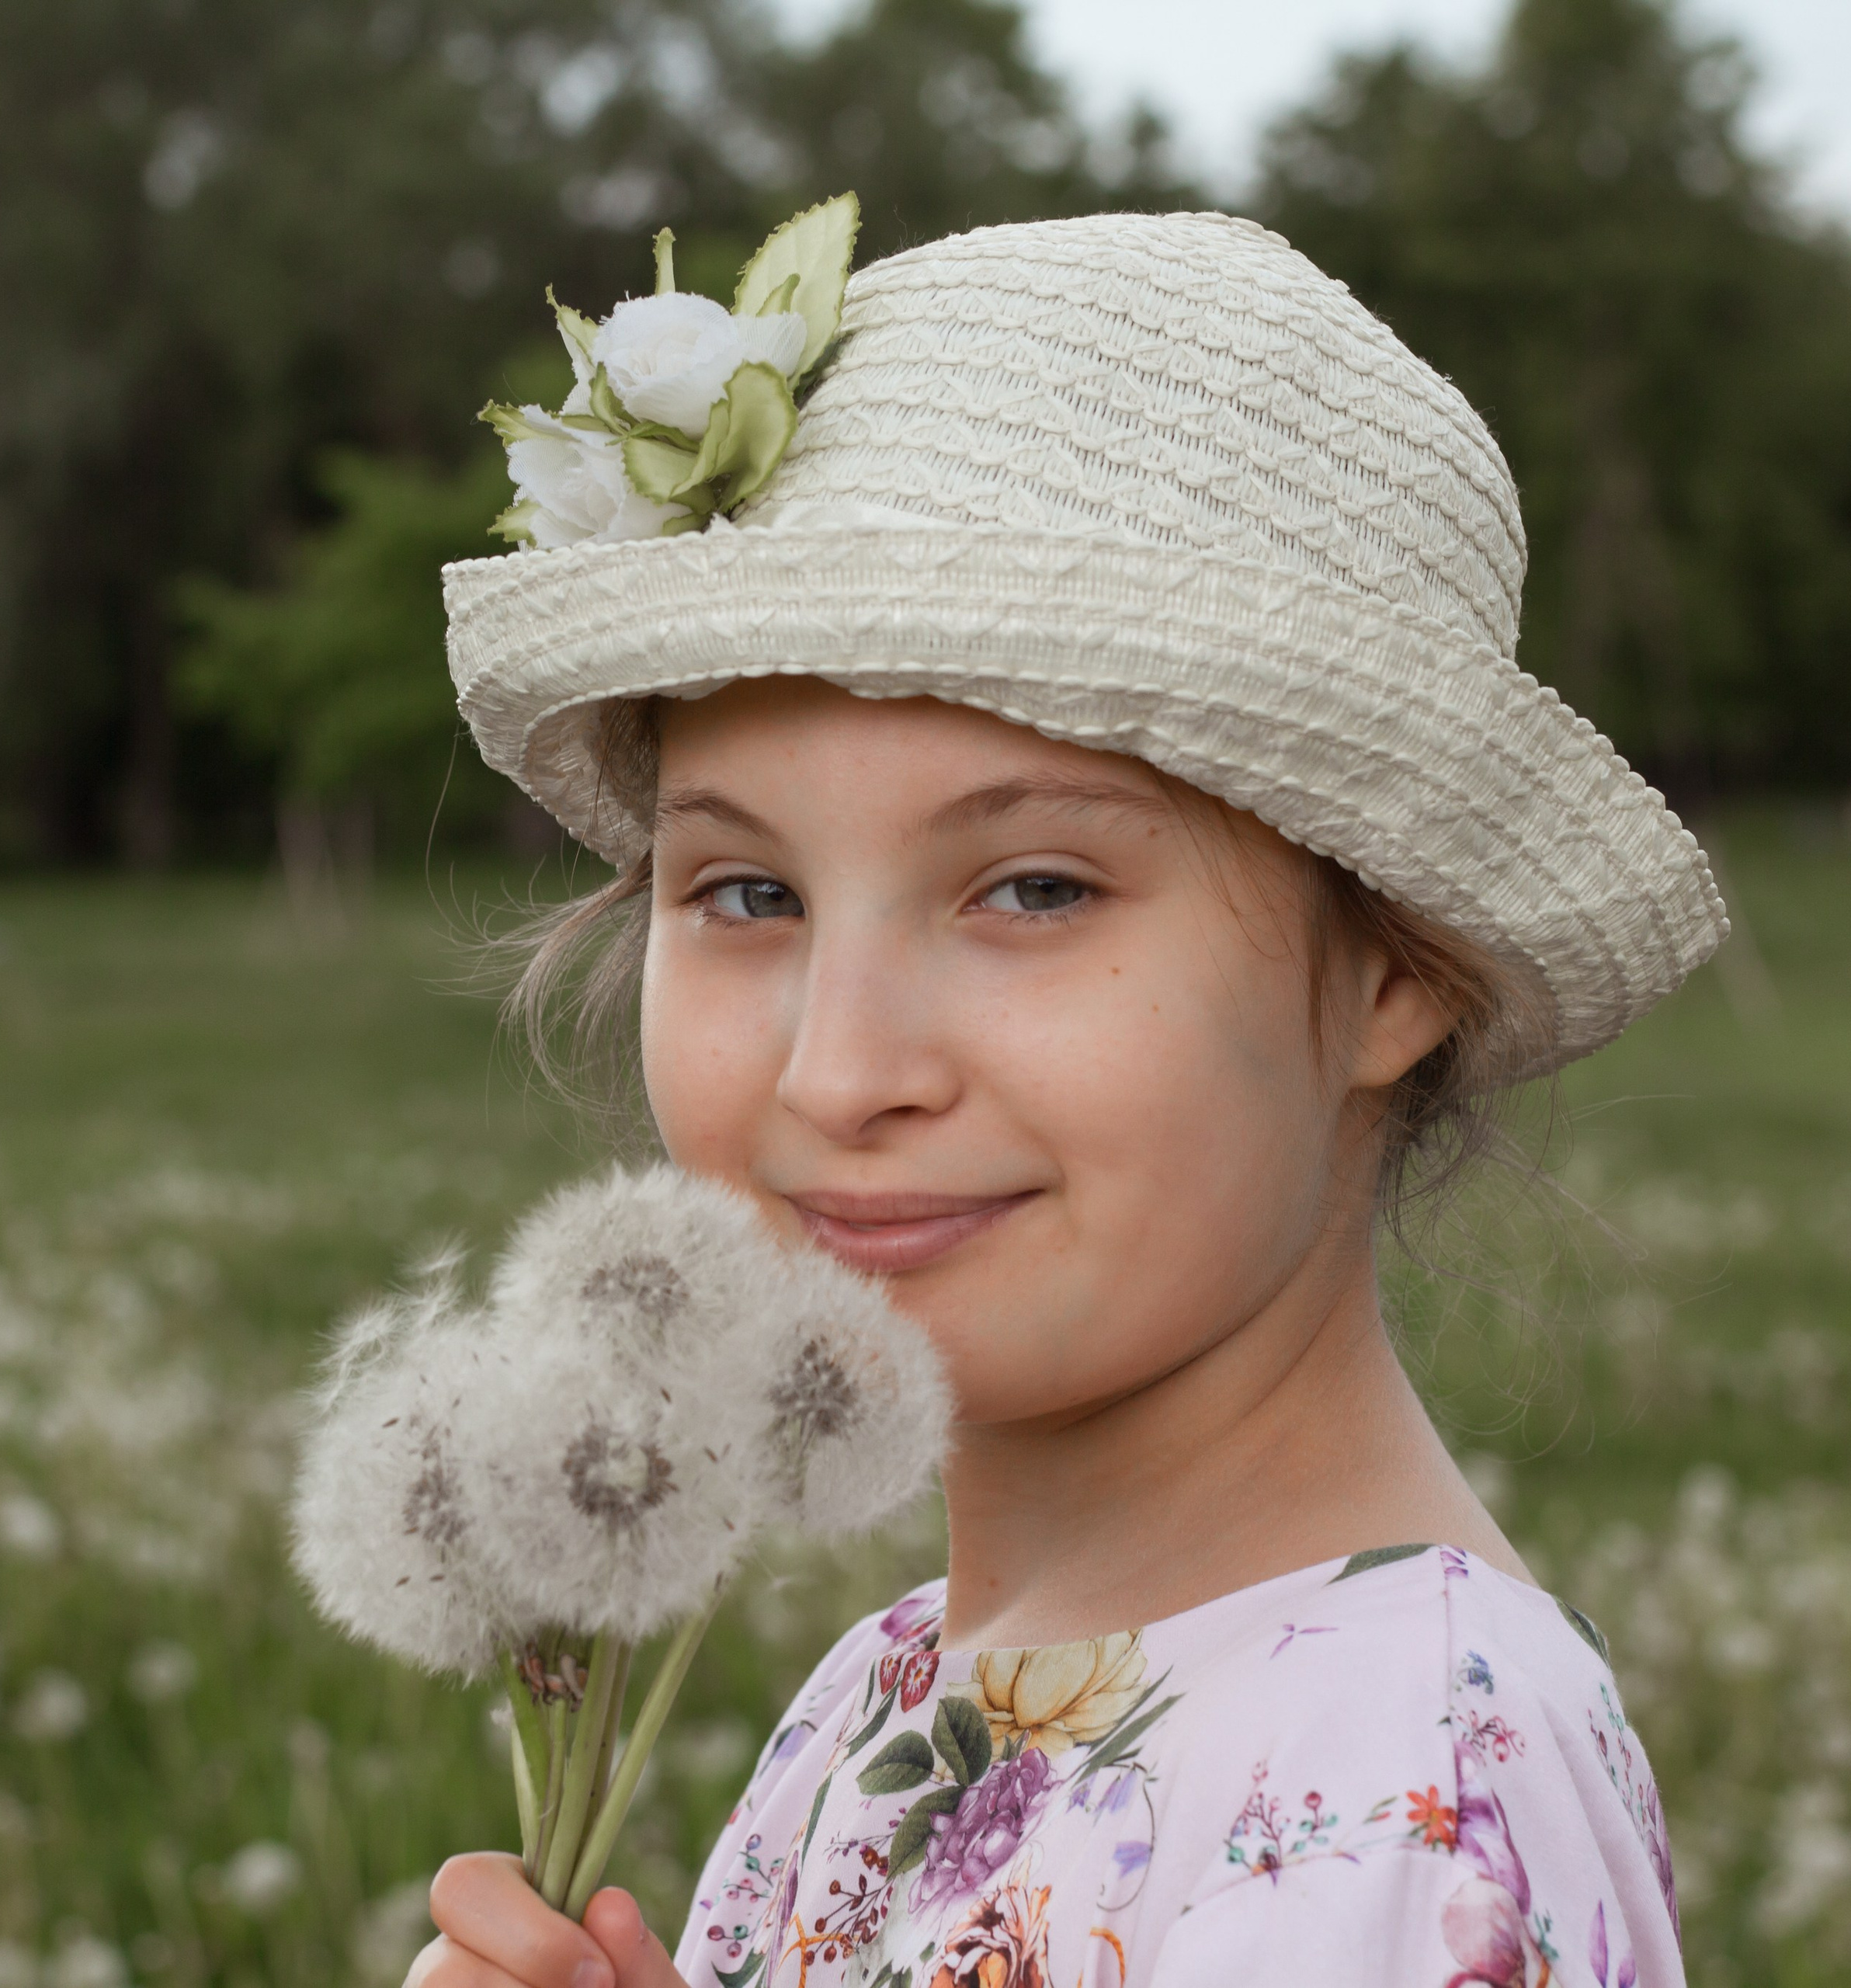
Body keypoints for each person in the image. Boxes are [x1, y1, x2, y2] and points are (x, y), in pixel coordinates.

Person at [414, 211, 1722, 1988]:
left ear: (1398, 965)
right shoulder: (895, 1685)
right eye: (744, 892)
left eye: (1031, 888)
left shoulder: (1387, 1811)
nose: (839, 1069)